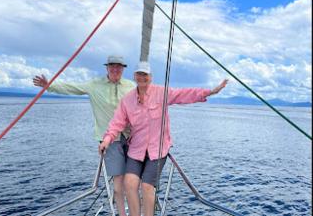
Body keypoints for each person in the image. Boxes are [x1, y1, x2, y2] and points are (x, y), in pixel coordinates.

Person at [98, 61, 228, 216]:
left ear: (150, 77)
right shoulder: (127, 100)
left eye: (145, 74)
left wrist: (209, 92)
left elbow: (184, 94)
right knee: (129, 183)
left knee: (147, 186)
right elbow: (116, 124)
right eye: (139, 74)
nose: (142, 77)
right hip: (136, 150)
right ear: (134, 76)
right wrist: (106, 140)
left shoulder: (161, 93)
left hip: (157, 151)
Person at [33, 55, 134, 216]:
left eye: (119, 67)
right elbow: (71, 88)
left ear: (123, 69)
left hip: (131, 137)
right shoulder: (94, 85)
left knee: (134, 180)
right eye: (112, 66)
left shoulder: (130, 86)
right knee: (118, 185)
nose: (115, 69)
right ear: (107, 68)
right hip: (110, 141)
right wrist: (48, 86)